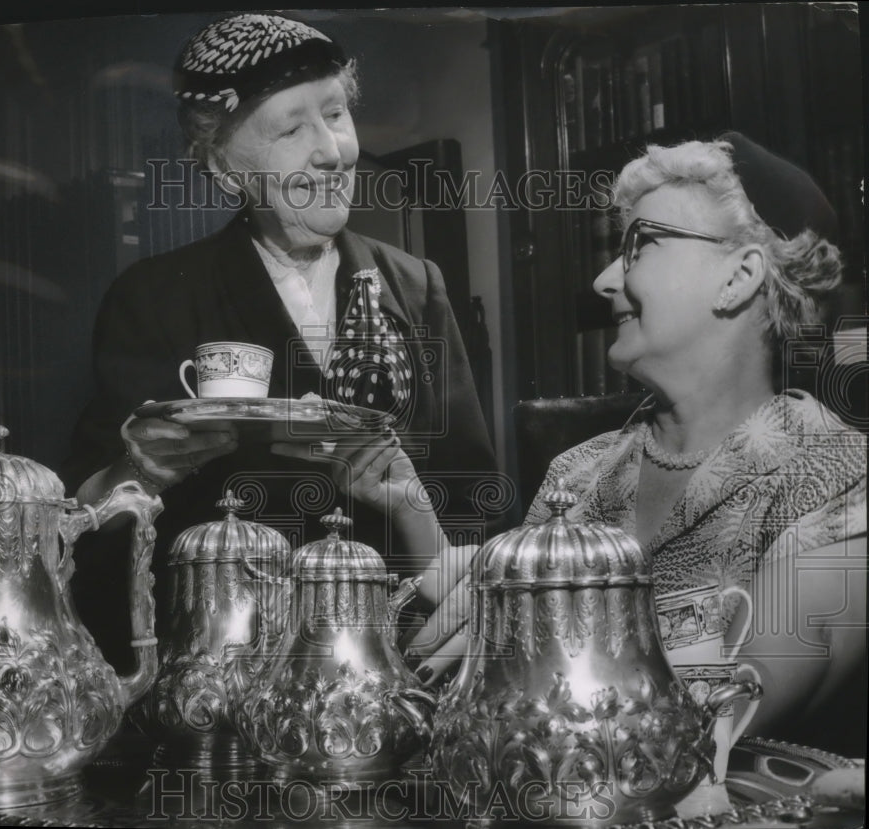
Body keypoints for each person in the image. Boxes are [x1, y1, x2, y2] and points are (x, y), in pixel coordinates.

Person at [335, 133, 866, 755]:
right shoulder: (580, 471)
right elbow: (482, 655)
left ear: (741, 276)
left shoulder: (841, 476)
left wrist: (535, 623)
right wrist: (413, 514)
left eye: (643, 244)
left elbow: (740, 707)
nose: (604, 278)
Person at [60, 13, 497, 668]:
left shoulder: (416, 286)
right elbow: (84, 532)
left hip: (389, 668)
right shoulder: (154, 297)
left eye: (336, 114)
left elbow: (472, 509)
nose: (333, 150)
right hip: (225, 672)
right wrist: (140, 471)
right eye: (293, 128)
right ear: (223, 165)